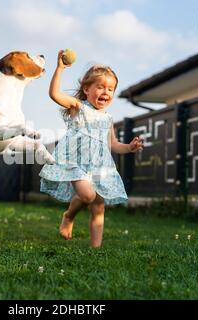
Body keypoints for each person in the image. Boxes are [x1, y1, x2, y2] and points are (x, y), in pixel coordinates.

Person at [39, 50, 144, 248]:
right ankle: (69, 216)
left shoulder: (107, 118)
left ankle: (96, 249)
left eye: (111, 89)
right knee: (87, 195)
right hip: (76, 162)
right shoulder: (79, 107)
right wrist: (60, 68)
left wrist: (129, 147)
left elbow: (112, 144)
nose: (106, 92)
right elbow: (54, 94)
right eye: (101, 87)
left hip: (100, 166)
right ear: (87, 89)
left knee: (98, 206)